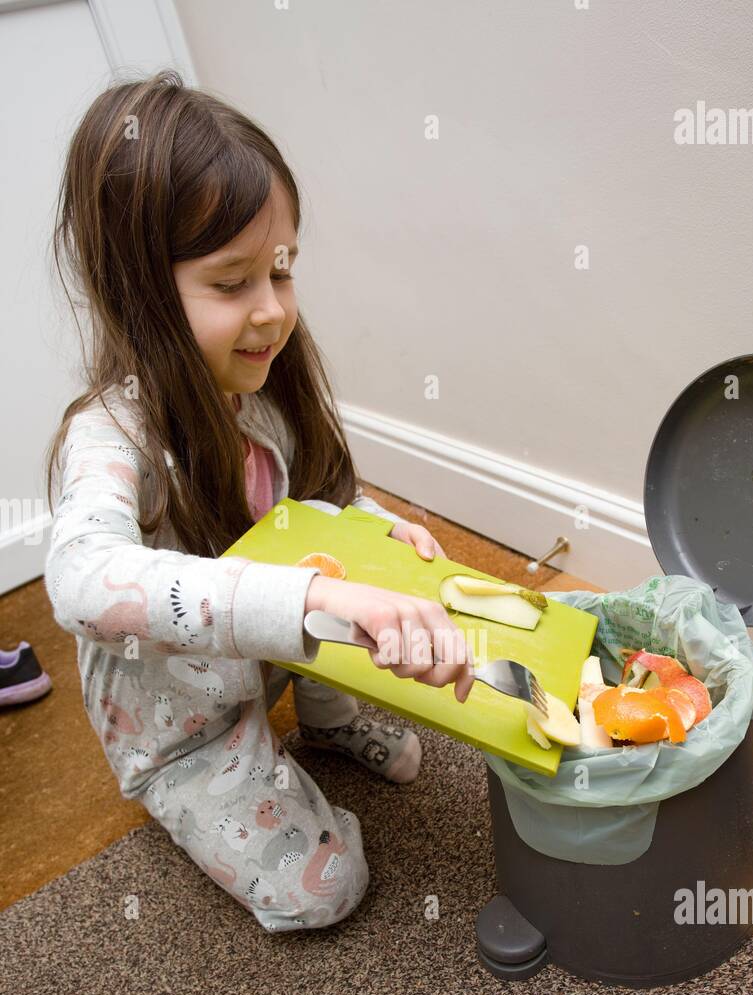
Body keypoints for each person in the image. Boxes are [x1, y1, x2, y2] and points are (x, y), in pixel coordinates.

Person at [43, 71, 474, 933]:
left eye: (282, 270)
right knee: (325, 889)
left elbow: (318, 504)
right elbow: (83, 583)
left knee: (334, 583)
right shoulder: (109, 435)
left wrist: (378, 533)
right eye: (233, 282)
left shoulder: (266, 391)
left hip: (269, 669)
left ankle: (321, 723)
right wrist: (315, 598)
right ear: (138, 292)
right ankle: (206, 787)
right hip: (184, 729)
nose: (274, 312)